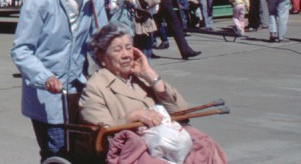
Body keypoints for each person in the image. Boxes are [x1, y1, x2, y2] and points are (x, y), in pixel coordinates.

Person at [10, 0, 108, 162]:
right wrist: (45, 78)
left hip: (79, 92)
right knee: (56, 153)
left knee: (84, 153)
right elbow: (21, 49)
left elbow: (101, 42)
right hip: (47, 95)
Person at [79, 23, 227, 162]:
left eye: (128, 47)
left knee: (205, 146)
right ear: (102, 58)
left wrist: (151, 76)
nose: (126, 55)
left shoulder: (141, 77)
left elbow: (180, 111)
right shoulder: (95, 86)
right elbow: (101, 132)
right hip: (135, 148)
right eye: (117, 50)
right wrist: (132, 117)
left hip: (166, 140)